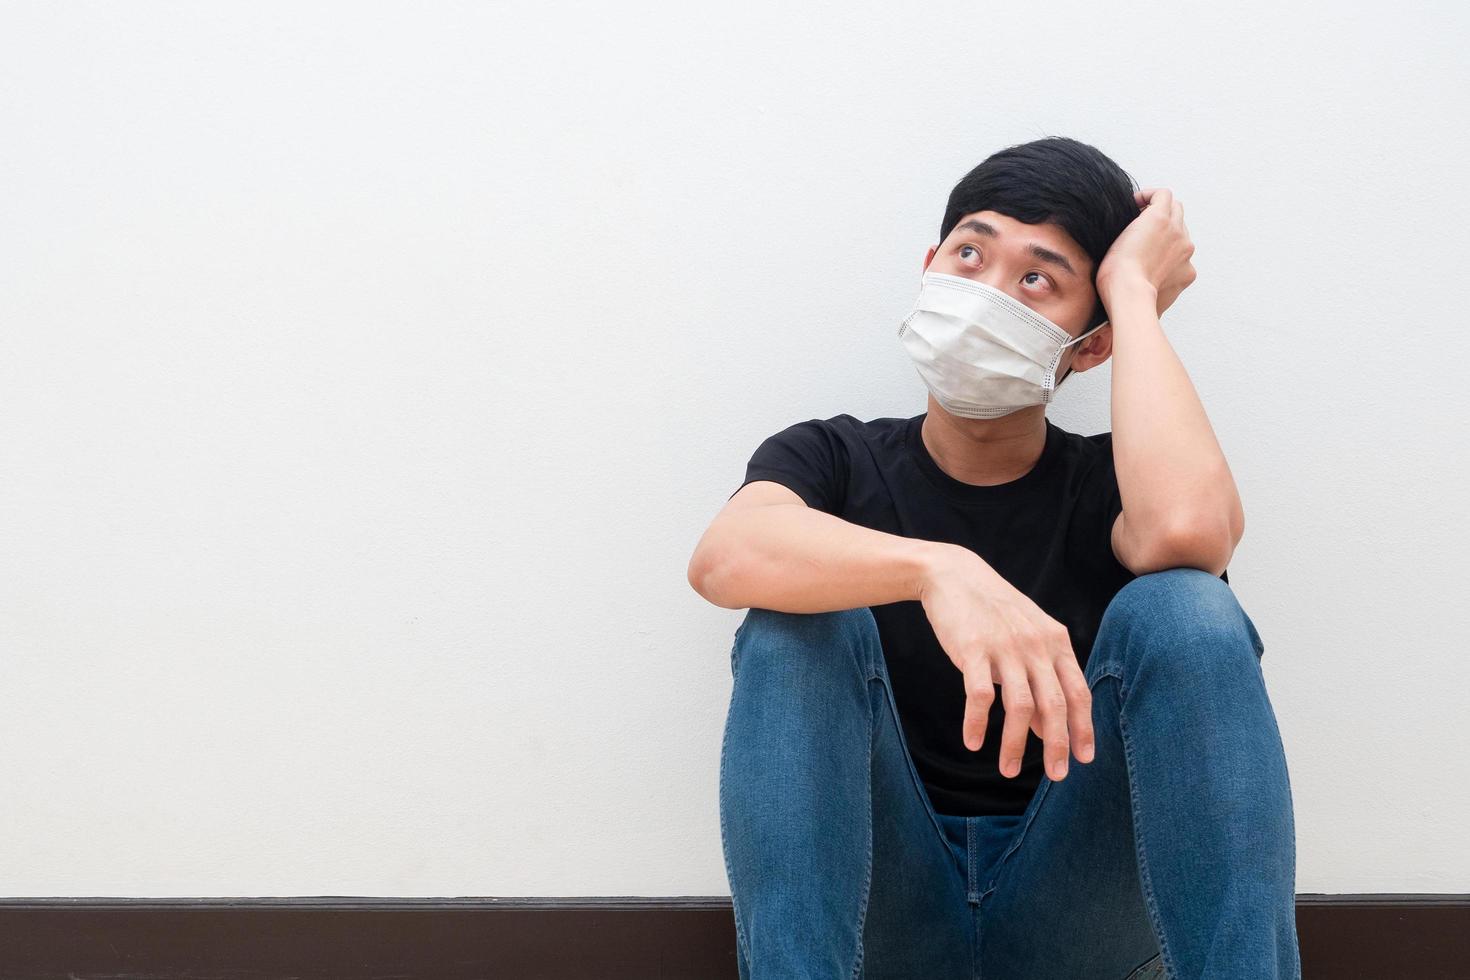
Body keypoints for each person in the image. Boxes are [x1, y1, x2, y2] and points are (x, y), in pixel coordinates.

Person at [685, 136, 1301, 979]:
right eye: (969, 254)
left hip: (1075, 908)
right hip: (880, 905)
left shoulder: (1112, 485)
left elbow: (1189, 533)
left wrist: (1134, 297)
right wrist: (942, 570)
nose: (987, 293)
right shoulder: (833, 457)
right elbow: (726, 556)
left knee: (1187, 608)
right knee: (796, 626)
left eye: (1036, 279)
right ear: (930, 268)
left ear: (1089, 344)